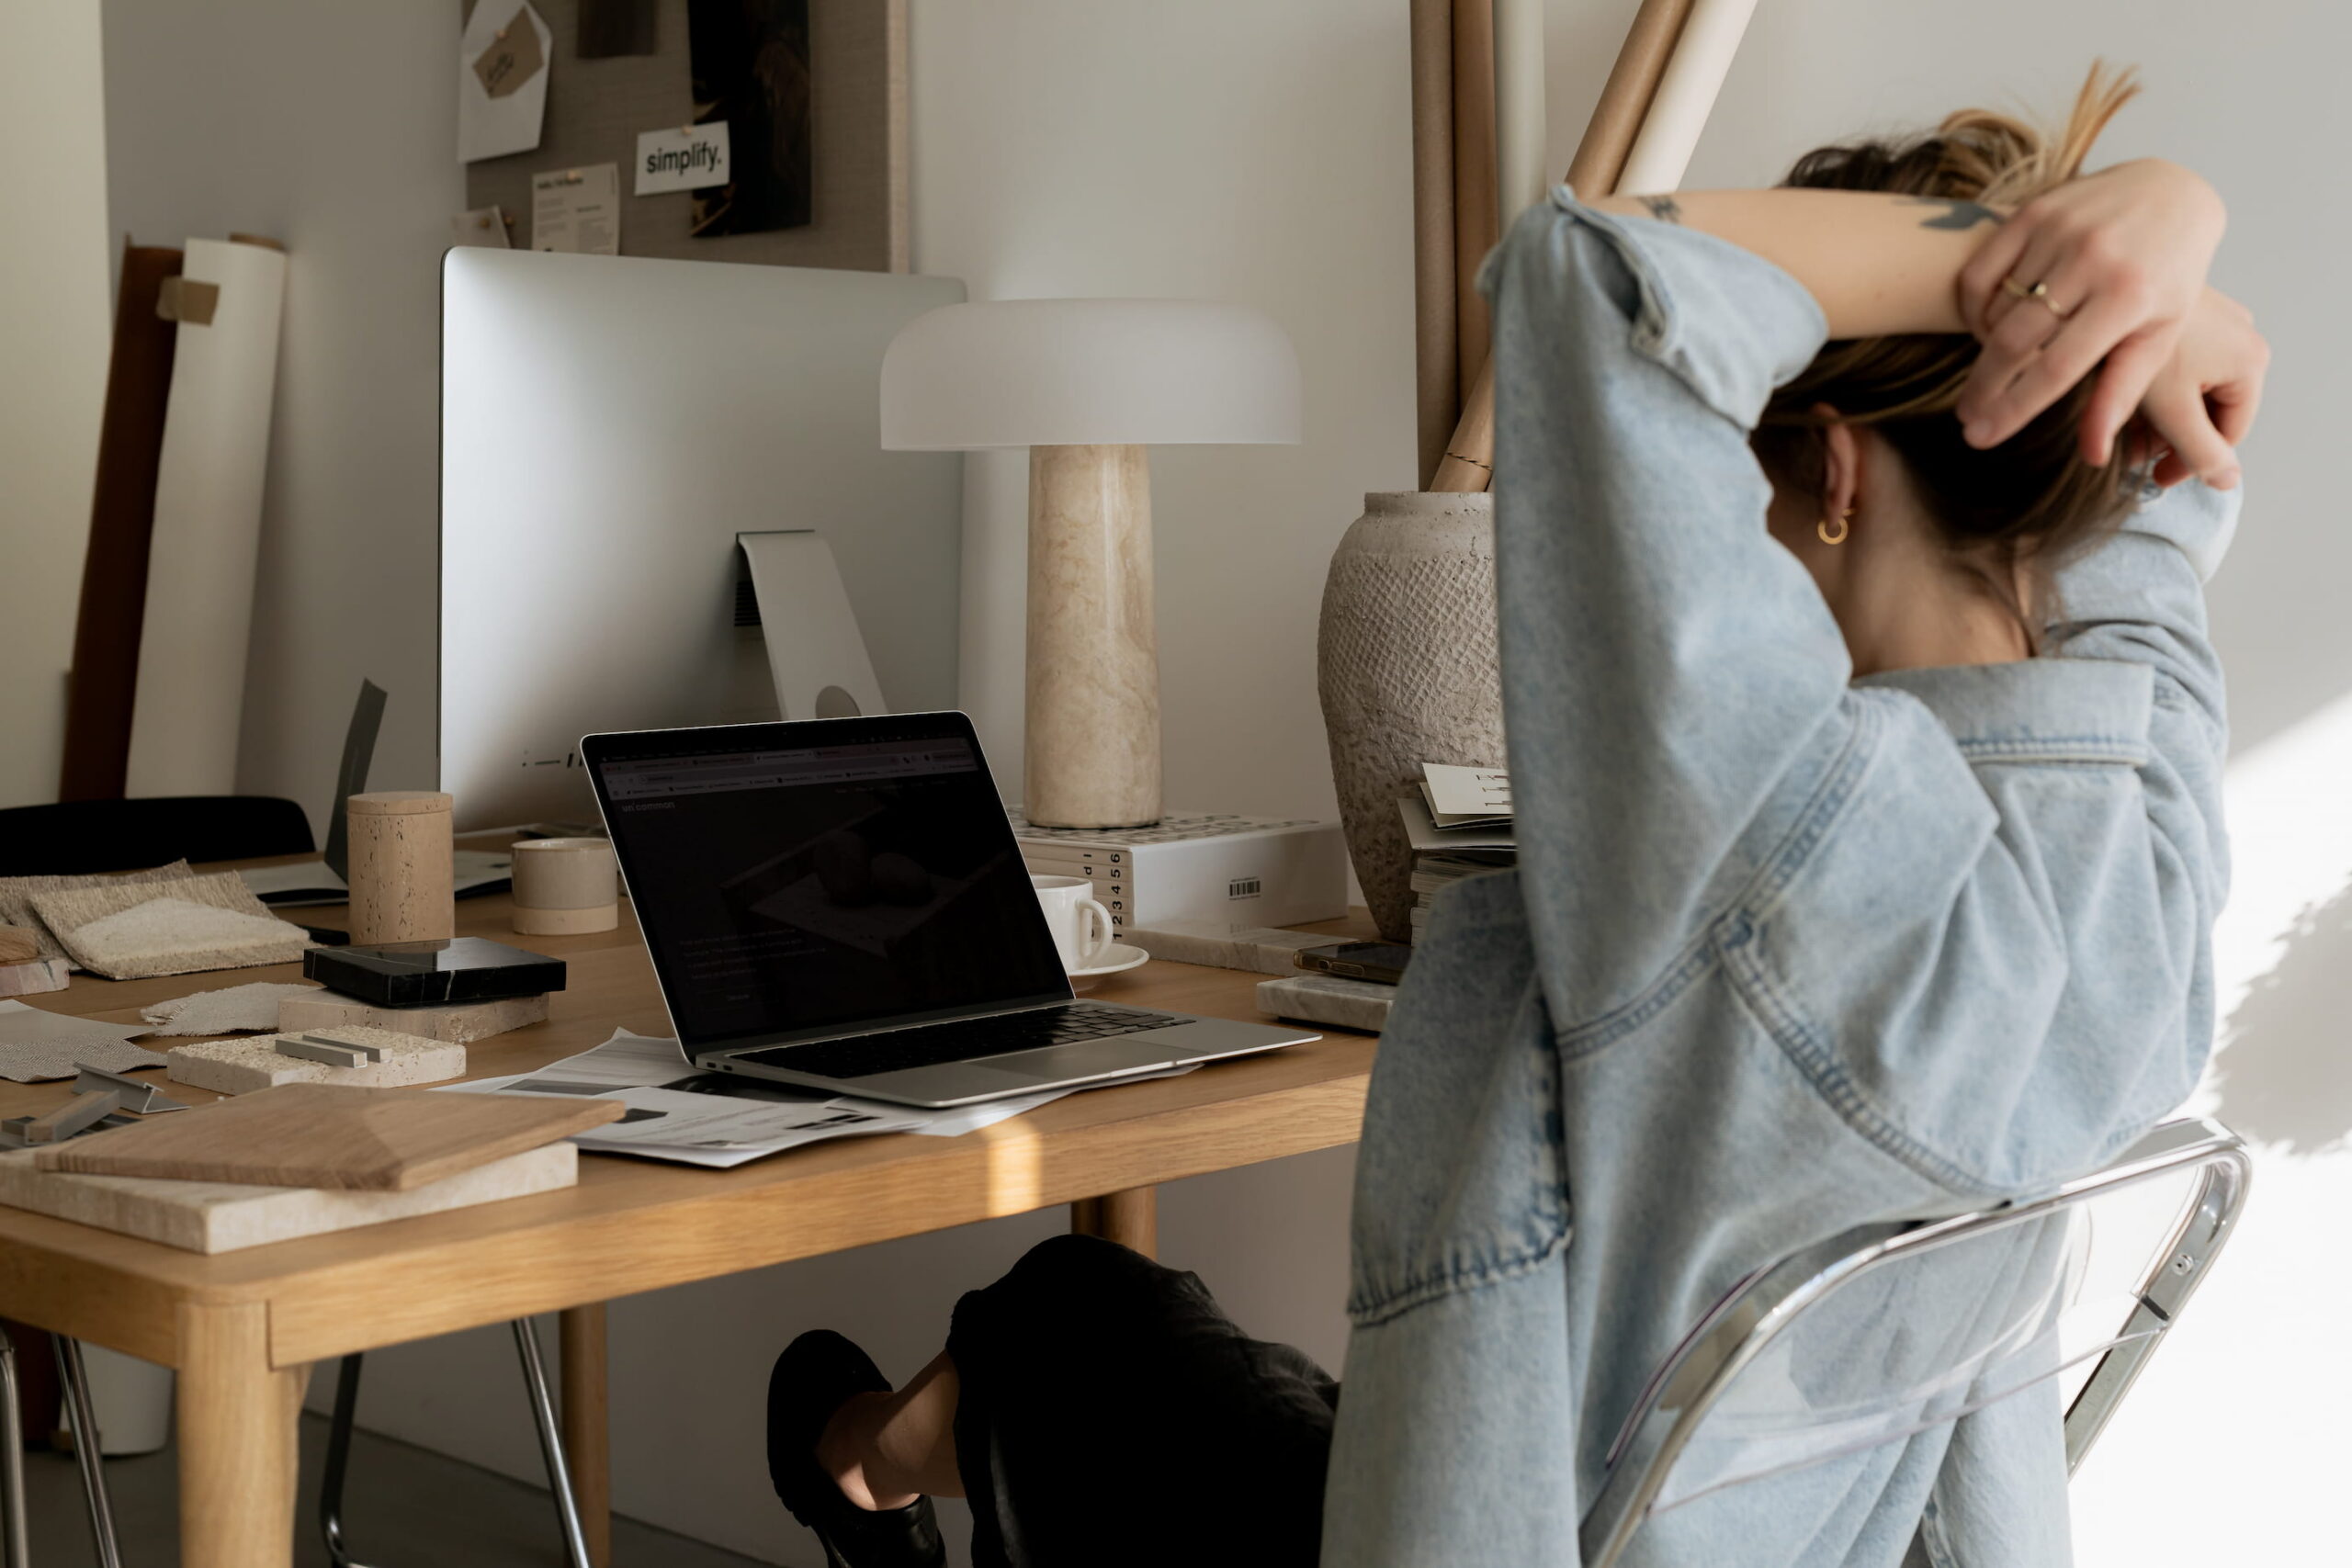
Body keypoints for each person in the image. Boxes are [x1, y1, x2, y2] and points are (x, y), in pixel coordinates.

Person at [763, 66, 2266, 1568]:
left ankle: (855, 1478)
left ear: (1838, 473)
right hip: (1723, 1525)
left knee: (1076, 1317)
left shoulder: (1770, 827)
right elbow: (2166, 480)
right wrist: (2158, 253)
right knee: (1235, 1382)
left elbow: (1590, 275)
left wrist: (2044, 261)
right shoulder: (2138, 840)